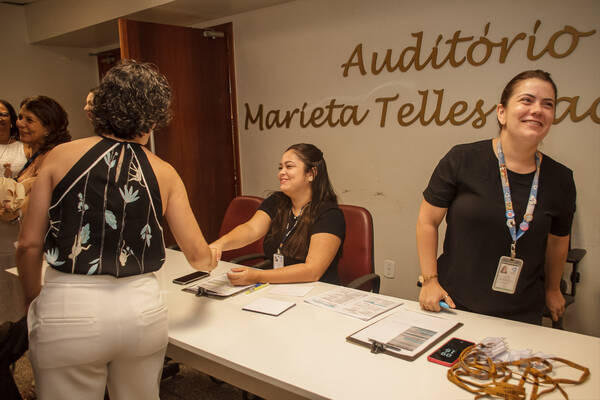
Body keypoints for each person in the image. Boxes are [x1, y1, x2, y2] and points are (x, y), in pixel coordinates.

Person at [16, 60, 217, 400]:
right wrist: (212, 257)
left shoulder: (60, 156)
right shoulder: (164, 171)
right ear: (155, 116)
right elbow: (198, 257)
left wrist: (32, 298)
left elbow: (28, 245)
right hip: (142, 310)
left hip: (70, 304)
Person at [416, 70, 575, 325]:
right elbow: (427, 221)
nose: (537, 110)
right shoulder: (462, 159)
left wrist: (553, 289)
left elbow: (558, 241)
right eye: (527, 100)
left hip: (522, 313)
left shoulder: (561, 178)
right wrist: (429, 280)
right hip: (454, 303)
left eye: (548, 104)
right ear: (502, 112)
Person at [210, 143, 345, 286]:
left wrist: (257, 276)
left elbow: (312, 271)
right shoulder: (276, 202)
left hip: (316, 291)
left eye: (289, 166)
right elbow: (251, 229)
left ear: (311, 174)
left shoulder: (330, 215)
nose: (281, 173)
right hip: (278, 286)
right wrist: (219, 245)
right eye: (280, 168)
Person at [0, 100, 29, 324]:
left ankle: (20, 319)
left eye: (2, 114)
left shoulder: (23, 147)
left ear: (11, 119)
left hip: (18, 217)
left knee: (16, 267)